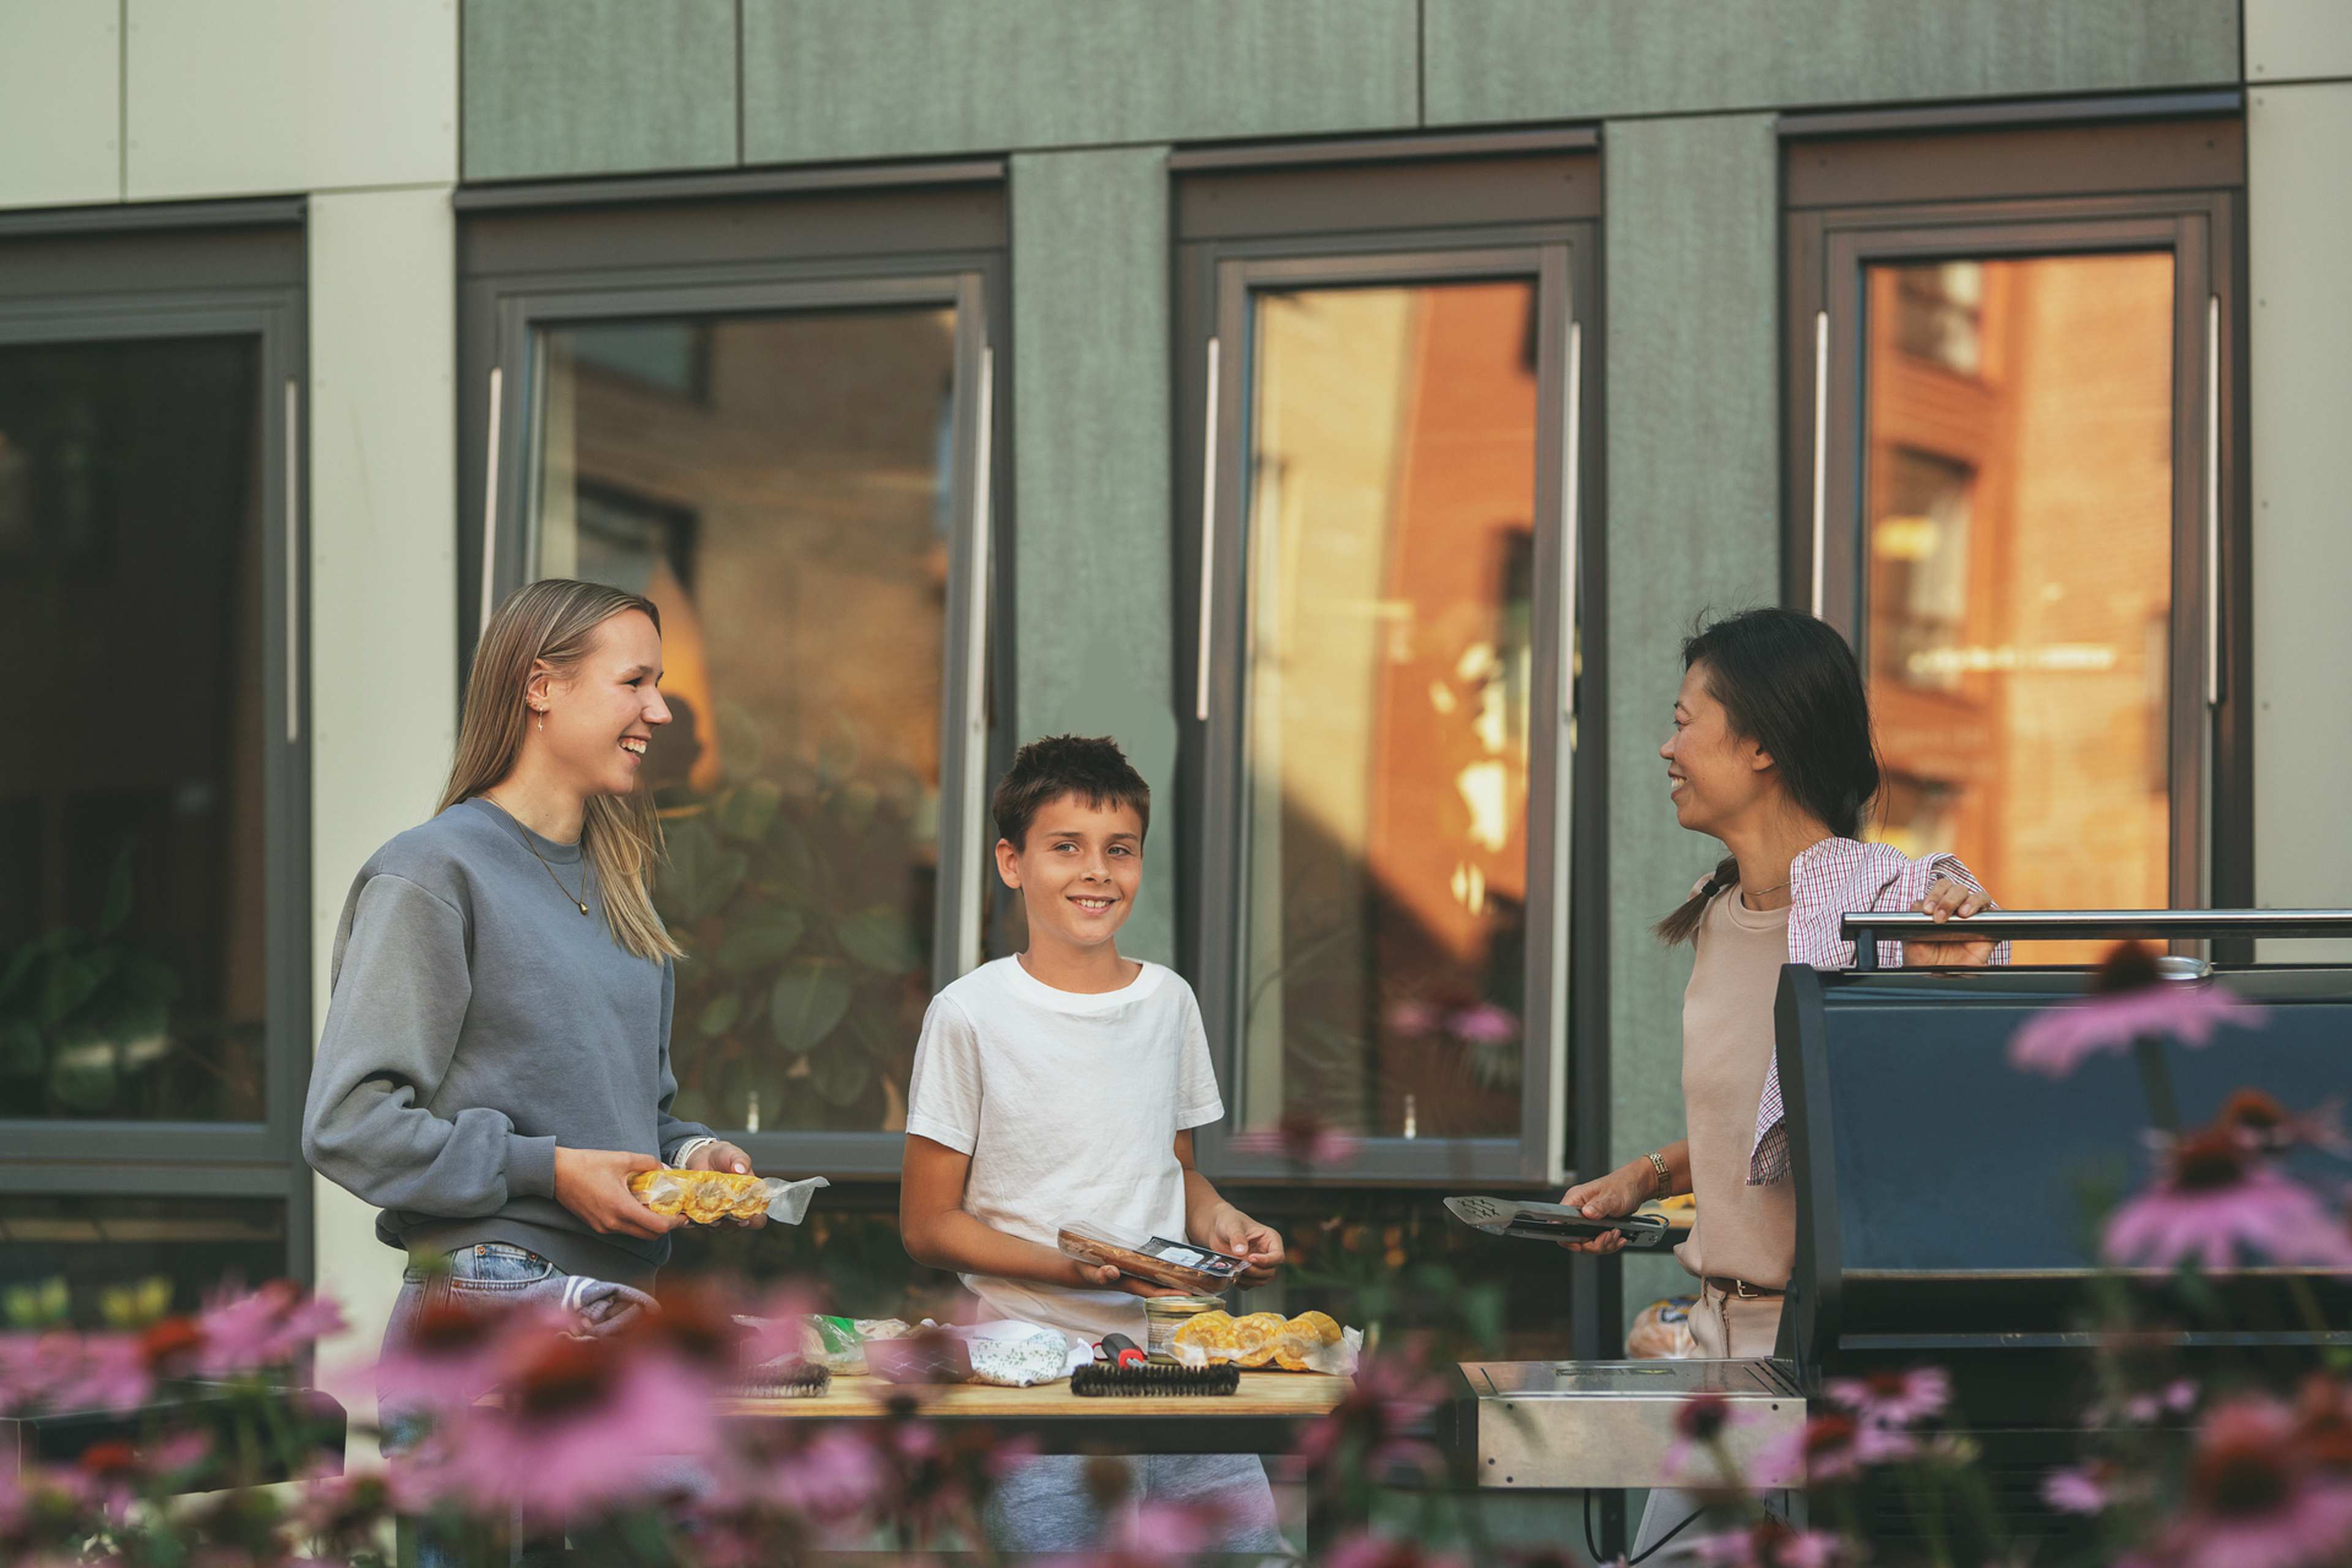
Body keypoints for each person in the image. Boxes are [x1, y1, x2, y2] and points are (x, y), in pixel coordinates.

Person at [1555, 608, 2002, 1556]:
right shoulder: (1721, 916)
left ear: (1759, 742)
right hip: (1721, 1353)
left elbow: (1954, 1009)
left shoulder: (1881, 910)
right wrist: (1650, 1173)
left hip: (1814, 1366)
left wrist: (1954, 936)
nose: (1666, 746)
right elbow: (1774, 1117)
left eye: (1685, 719)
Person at [302, 579, 763, 1427]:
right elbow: (349, 1124)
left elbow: (627, 1121)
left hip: (620, 1304)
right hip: (489, 1307)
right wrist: (546, 1171)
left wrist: (691, 1158)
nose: (661, 711)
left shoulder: (623, 893)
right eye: (636, 682)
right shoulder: (435, 875)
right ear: (541, 686)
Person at [899, 735, 1289, 1556]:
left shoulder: (1169, 1002)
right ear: (1011, 862)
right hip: (1037, 1372)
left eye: (1120, 850)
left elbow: (1173, 1169)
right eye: (1065, 848)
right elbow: (929, 1225)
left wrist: (1221, 1220)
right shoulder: (969, 1013)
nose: (1097, 872)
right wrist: (1064, 1267)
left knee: (1248, 1555)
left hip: (1180, 1365)